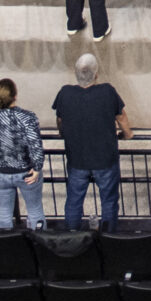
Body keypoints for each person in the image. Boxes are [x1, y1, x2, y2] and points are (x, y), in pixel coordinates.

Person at [54, 53, 130, 225]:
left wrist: (62, 133)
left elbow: (60, 120)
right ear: (96, 75)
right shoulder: (108, 91)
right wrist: (127, 134)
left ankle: (72, 237)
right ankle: (108, 238)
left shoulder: (65, 93)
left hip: (77, 160)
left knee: (73, 202)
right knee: (109, 201)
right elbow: (122, 117)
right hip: (105, 160)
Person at [0, 79, 47, 229]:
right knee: (35, 209)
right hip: (26, 172)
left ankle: (6, 245)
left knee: (4, 211)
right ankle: (39, 244)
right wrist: (37, 168)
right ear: (14, 96)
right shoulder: (27, 117)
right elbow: (35, 144)